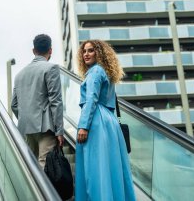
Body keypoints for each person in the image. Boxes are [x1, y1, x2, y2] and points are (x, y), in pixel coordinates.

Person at [75, 40, 136, 201]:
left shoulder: (95, 72)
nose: (86, 54)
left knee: (95, 170)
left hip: (96, 121)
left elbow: (91, 99)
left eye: (91, 50)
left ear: (99, 53)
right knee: (110, 170)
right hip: (110, 123)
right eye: (84, 51)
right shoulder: (105, 72)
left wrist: (83, 126)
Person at [11, 34, 64, 169]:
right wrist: (59, 131)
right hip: (46, 127)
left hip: (26, 128)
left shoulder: (19, 75)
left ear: (34, 51)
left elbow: (14, 105)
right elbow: (55, 101)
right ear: (50, 50)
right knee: (45, 167)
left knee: (31, 169)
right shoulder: (51, 68)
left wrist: (26, 117)